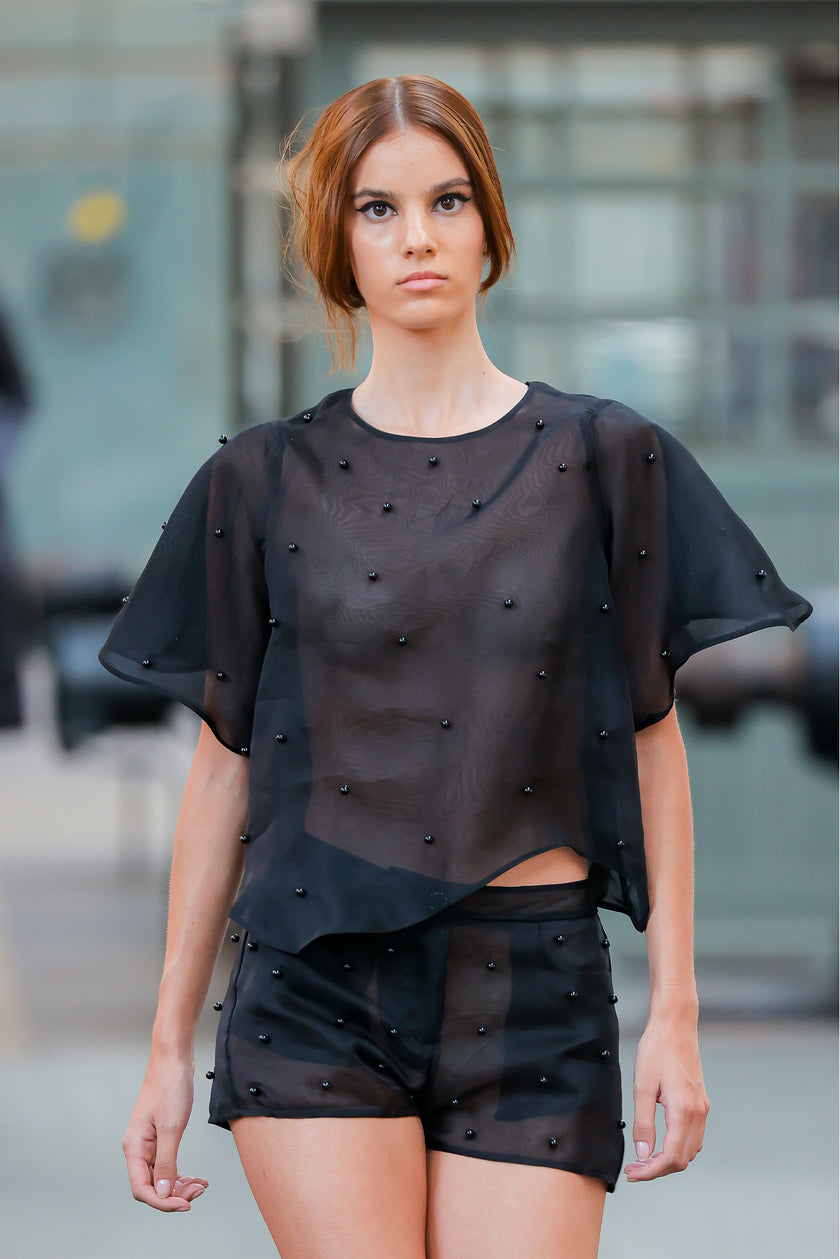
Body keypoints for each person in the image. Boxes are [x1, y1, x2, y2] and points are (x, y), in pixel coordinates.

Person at [98, 75, 813, 1259]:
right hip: (314, 988)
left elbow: (651, 744)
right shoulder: (260, 480)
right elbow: (222, 770)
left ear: (491, 226)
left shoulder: (604, 458)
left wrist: (674, 1014)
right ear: (337, 240)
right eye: (377, 208)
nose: (417, 235)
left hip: (535, 985)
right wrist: (166, 1046)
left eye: (447, 199)